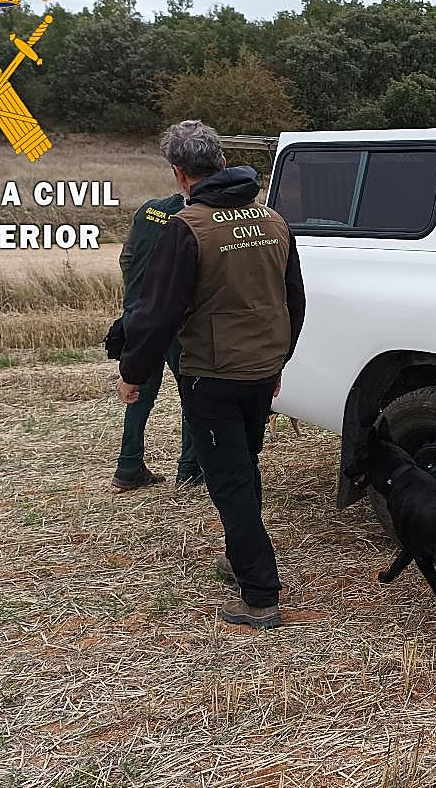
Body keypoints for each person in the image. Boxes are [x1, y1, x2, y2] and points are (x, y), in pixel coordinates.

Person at [117, 120, 305, 629]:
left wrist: (133, 371)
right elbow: (294, 301)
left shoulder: (188, 226)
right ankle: (239, 555)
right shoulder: (272, 220)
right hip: (263, 369)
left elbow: (158, 314)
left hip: (213, 374)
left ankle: (260, 595)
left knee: (229, 480)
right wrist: (280, 360)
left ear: (180, 174)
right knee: (243, 463)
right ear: (222, 162)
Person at [112, 192, 203, 491]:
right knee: (191, 393)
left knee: (137, 393)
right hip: (175, 323)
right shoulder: (195, 217)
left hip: (138, 319)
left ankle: (128, 466)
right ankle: (189, 470)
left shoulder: (148, 211)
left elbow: (126, 259)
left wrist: (136, 302)